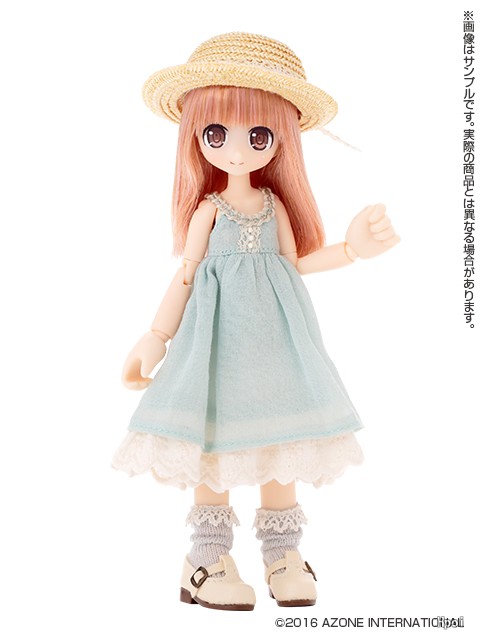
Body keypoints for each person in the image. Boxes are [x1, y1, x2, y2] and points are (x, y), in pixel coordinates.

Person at [113, 32, 400, 611]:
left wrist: (351, 250)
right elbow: (187, 275)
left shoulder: (274, 207)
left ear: (281, 141)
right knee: (212, 439)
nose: (238, 151)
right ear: (197, 138)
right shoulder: (208, 210)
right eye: (216, 134)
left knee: (279, 438)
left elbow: (295, 263)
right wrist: (156, 335)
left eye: (258, 136)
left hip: (276, 344)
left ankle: (282, 554)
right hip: (214, 345)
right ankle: (207, 557)